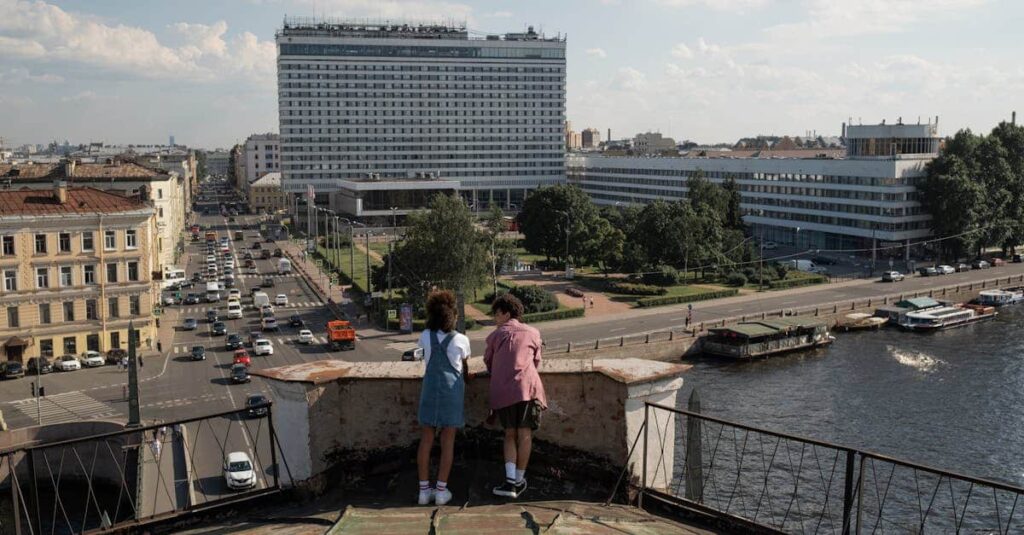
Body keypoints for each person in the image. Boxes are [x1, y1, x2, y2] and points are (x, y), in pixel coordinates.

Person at [485, 293, 547, 499]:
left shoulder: (495, 335)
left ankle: (510, 482)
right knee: (525, 434)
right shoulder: (533, 332)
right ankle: (520, 480)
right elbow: (537, 362)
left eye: (496, 314)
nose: (495, 318)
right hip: (528, 389)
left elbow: (489, 362)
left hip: (503, 392)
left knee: (510, 434)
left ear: (506, 313)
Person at [415, 290, 472, 506]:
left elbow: (424, 355)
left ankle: (423, 491)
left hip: (429, 390)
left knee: (426, 439)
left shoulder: (425, 336)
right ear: (453, 315)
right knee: (448, 441)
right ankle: (441, 491)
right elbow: (464, 364)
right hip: (451, 393)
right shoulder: (461, 339)